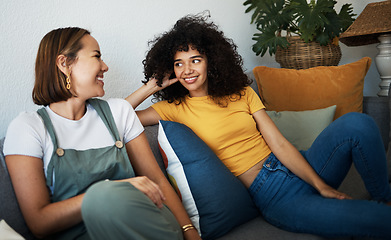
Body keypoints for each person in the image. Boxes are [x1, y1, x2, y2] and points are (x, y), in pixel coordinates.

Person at [126, 15, 391, 238]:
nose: (187, 70)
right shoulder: (173, 110)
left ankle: (384, 194)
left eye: (195, 59)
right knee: (378, 219)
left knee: (358, 124)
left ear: (211, 61)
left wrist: (320, 185)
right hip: (274, 195)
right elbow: (116, 117)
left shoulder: (241, 93)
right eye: (178, 63)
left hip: (297, 164)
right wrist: (151, 87)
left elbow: (279, 143)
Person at [3, 27, 201, 240]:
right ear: (64, 64)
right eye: (97, 56)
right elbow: (40, 223)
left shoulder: (119, 112)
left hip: (146, 228)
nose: (105, 66)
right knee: (101, 195)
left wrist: (189, 231)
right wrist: (116, 189)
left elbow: (158, 182)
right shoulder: (28, 127)